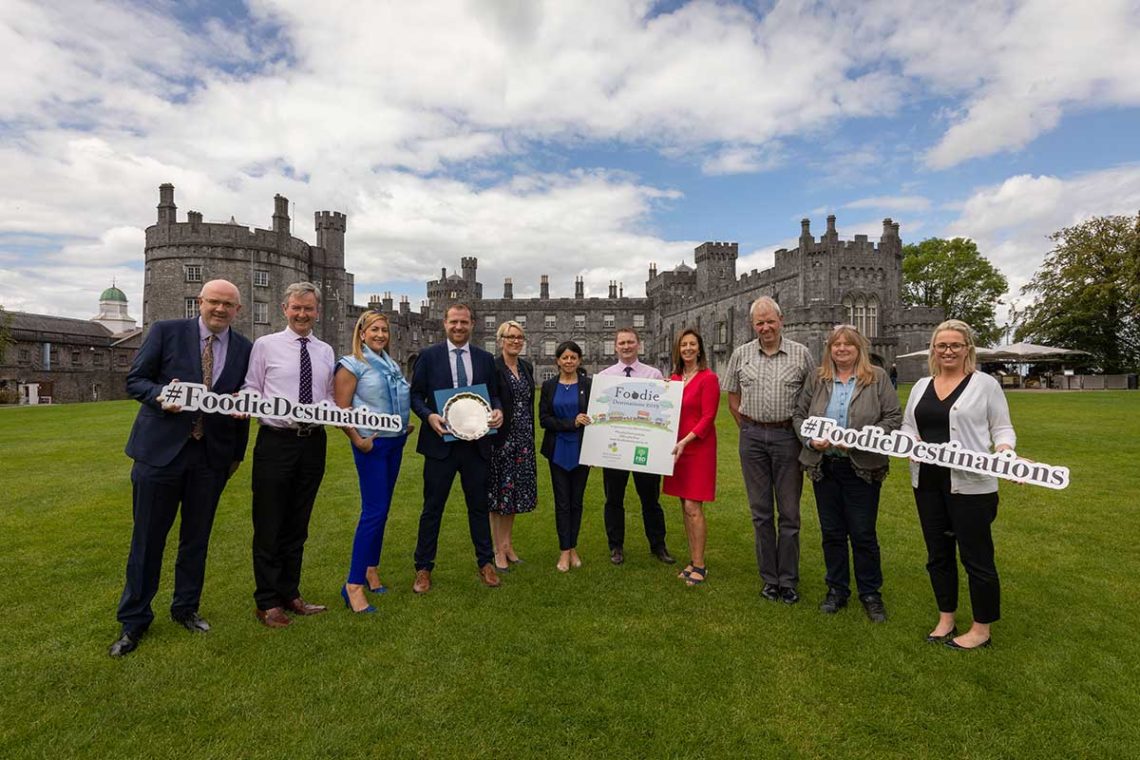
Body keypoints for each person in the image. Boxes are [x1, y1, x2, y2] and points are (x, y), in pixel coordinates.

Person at [109, 280, 252, 657]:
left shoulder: (244, 348)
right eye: (214, 302)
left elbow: (244, 405)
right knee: (147, 539)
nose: (220, 310)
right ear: (200, 303)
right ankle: (134, 620)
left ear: (238, 310)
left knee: (196, 539)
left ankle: (185, 608)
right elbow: (136, 380)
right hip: (160, 454)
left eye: (228, 305)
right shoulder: (166, 332)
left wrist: (237, 453)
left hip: (210, 457)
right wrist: (161, 397)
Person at [901, 319, 1015, 650]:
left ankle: (981, 629)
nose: (948, 351)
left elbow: (1002, 428)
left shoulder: (985, 385)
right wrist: (910, 440)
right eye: (942, 345)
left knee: (976, 557)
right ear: (933, 350)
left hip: (972, 487)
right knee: (938, 555)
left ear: (968, 350)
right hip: (927, 482)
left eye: (955, 345)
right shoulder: (921, 385)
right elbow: (908, 425)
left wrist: (1005, 450)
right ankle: (946, 617)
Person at [794, 325, 901, 622]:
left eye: (848, 345)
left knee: (863, 533)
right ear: (829, 349)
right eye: (836, 345)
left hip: (862, 467)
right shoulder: (817, 378)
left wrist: (861, 437)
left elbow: (893, 417)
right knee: (832, 533)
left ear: (859, 349)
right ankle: (837, 590)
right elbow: (800, 416)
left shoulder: (876, 378)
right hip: (824, 465)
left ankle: (870, 593)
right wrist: (810, 439)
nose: (841, 349)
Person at [244, 282, 335, 628]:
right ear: (285, 309)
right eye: (296, 308)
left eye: (308, 309)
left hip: (313, 441)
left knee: (298, 522)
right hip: (276, 441)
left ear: (317, 312)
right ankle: (267, 600)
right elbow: (252, 387)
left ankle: (290, 592)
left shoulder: (325, 350)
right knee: (269, 521)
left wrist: (323, 410)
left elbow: (327, 394)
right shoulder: (265, 345)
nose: (302, 314)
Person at [722, 296, 815, 604]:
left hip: (788, 437)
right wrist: (747, 428)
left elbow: (812, 398)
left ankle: (788, 581)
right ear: (753, 325)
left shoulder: (801, 355)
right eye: (759, 323)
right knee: (761, 513)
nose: (765, 328)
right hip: (752, 439)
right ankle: (769, 580)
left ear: (781, 320)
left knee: (789, 513)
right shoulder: (741, 354)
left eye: (770, 321)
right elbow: (733, 397)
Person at [409, 303, 504, 593]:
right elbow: (415, 396)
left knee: (478, 507)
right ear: (445, 324)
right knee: (432, 508)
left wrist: (498, 411)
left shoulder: (486, 359)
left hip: (476, 446)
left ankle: (485, 563)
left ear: (472, 324)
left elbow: (495, 395)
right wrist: (428, 416)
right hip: (440, 445)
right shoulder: (428, 356)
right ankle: (423, 568)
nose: (459, 327)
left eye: (464, 322)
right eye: (454, 322)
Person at [334, 310, 412, 614]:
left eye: (384, 330)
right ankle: (352, 585)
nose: (380, 335)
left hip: (395, 442)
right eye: (374, 330)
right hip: (372, 446)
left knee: (383, 510)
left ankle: (370, 569)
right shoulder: (352, 364)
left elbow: (393, 399)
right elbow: (341, 409)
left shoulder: (390, 363)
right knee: (374, 511)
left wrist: (402, 425)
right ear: (361, 333)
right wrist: (357, 439)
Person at [597, 327, 674, 565]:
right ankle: (616, 546)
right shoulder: (605, 376)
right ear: (615, 346)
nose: (626, 346)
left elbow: (664, 409)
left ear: (638, 345)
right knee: (613, 500)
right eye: (622, 343)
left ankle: (658, 546)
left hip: (645, 450)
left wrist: (669, 391)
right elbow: (600, 413)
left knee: (650, 500)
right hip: (616, 449)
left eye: (630, 342)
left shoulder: (653, 375)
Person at [662, 329, 720, 586]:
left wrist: (685, 440)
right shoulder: (673, 379)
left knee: (692, 507)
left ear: (700, 349)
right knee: (684, 506)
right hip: (677, 450)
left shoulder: (709, 378)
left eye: (692, 344)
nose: (687, 348)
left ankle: (700, 565)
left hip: (697, 448)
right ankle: (693, 559)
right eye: (683, 345)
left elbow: (708, 417)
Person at [487, 320, 537, 572]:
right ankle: (496, 550)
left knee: (514, 496)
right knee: (498, 498)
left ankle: (507, 545)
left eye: (519, 337)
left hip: (524, 440)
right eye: (511, 337)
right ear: (501, 340)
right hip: (501, 440)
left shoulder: (526, 367)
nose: (516, 341)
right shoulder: (492, 368)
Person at [539, 341, 592, 572]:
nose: (569, 361)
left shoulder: (588, 385)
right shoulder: (549, 386)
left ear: (579, 360)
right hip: (558, 449)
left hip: (583, 450)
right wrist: (571, 423)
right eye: (565, 358)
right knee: (562, 503)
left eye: (573, 357)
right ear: (557, 361)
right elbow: (544, 419)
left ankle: (573, 548)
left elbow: (601, 413)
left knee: (576, 502)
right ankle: (564, 550)